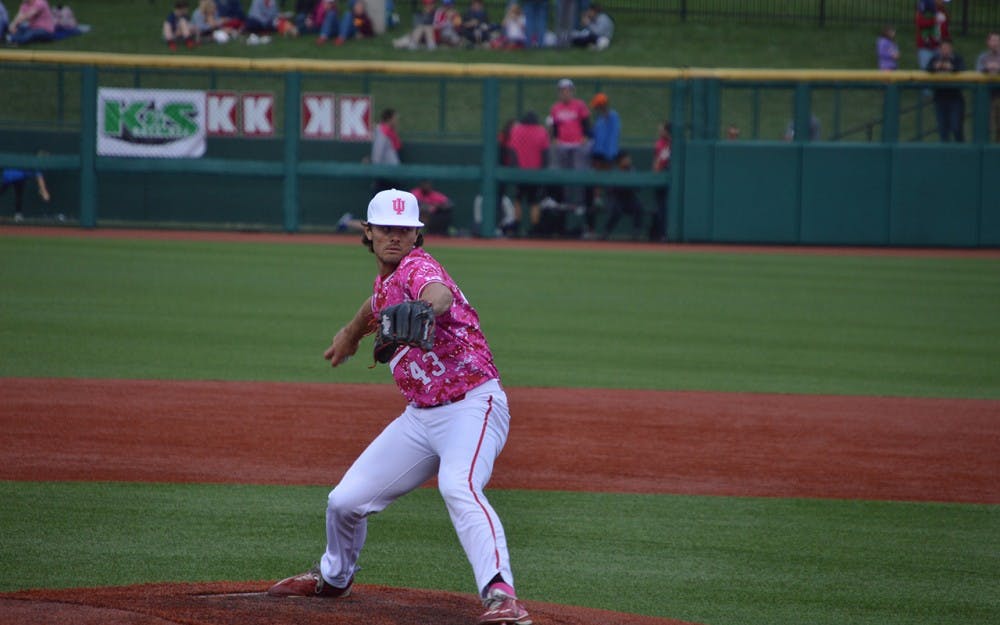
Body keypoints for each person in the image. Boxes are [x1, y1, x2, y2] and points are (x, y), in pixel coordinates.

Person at [266, 188, 532, 625]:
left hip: (472, 408)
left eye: (404, 229)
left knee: (458, 486)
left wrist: (425, 308)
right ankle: (335, 577)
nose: (395, 236)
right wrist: (350, 335)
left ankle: (501, 594)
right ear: (367, 233)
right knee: (344, 502)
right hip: (420, 419)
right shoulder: (387, 283)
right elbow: (374, 305)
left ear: (416, 235)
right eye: (386, 229)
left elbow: (437, 292)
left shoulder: (418, 268)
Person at [547, 78, 591, 226]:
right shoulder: (555, 108)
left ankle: (579, 203)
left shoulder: (579, 105)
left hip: (578, 144)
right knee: (563, 174)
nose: (565, 93)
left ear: (572, 91)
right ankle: (565, 201)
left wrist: (585, 136)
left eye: (567, 90)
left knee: (579, 174)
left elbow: (586, 123)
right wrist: (554, 138)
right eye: (562, 90)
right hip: (563, 145)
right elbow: (553, 127)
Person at [508, 110, 550, 236]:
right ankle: (535, 228)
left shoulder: (516, 130)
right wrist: (543, 170)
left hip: (520, 172)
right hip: (535, 173)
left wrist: (514, 168)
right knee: (535, 202)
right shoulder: (542, 131)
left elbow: (512, 151)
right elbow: (545, 154)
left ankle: (516, 225)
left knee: (518, 199)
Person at [927, 39, 966, 142]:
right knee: (942, 128)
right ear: (939, 49)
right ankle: (945, 153)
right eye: (943, 48)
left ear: (951, 49)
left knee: (956, 127)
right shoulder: (935, 58)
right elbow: (927, 68)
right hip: (940, 97)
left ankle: (961, 150)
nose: (945, 50)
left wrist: (952, 68)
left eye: (947, 48)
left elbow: (962, 69)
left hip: (955, 97)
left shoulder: (957, 58)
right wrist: (936, 67)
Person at [588, 91, 620, 215]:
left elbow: (613, 136)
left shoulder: (613, 116)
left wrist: (609, 153)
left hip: (608, 154)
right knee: (597, 178)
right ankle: (597, 198)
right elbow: (594, 134)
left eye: (598, 106)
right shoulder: (600, 120)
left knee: (608, 178)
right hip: (597, 153)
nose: (596, 108)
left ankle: (609, 200)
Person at [601, 150, 644, 241]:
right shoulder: (614, 171)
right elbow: (609, 189)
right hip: (615, 198)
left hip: (629, 197)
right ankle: (606, 232)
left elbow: (638, 187)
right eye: (626, 159)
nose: (628, 161)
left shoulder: (632, 170)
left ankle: (636, 233)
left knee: (639, 207)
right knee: (616, 211)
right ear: (620, 161)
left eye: (628, 159)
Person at [976, 31, 1000, 142]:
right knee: (986, 125)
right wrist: (987, 68)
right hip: (986, 95)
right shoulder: (983, 57)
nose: (995, 43)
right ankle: (986, 147)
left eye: (997, 40)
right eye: (993, 40)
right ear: (988, 42)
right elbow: (978, 71)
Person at [649, 120, 671, 242]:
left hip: (671, 179)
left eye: (662, 129)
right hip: (661, 178)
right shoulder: (661, 144)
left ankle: (663, 233)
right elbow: (657, 164)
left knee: (665, 207)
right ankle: (661, 234)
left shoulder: (673, 143)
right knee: (661, 207)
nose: (660, 131)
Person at [371, 108, 401, 193]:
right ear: (389, 119)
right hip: (384, 174)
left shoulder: (389, 132)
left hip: (391, 173)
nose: (397, 121)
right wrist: (378, 171)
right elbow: (377, 153)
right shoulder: (382, 132)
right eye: (395, 119)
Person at [915, 0, 948, 70]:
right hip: (926, 47)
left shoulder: (943, 11)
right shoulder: (924, 8)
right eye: (942, 1)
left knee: (941, 70)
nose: (944, 3)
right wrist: (934, 20)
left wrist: (946, 43)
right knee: (926, 69)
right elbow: (920, 23)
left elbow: (944, 29)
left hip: (939, 47)